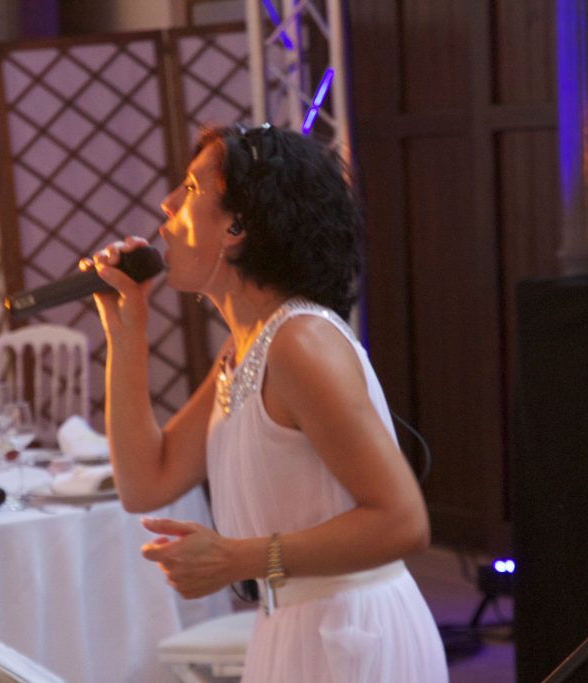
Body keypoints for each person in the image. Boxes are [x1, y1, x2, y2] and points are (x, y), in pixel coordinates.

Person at [89, 123, 448, 682]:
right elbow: (145, 482)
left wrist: (236, 560)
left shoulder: (299, 343)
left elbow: (403, 522)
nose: (166, 203)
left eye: (190, 188)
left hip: (351, 634)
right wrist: (126, 331)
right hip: (291, 623)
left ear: (237, 226)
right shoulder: (246, 348)